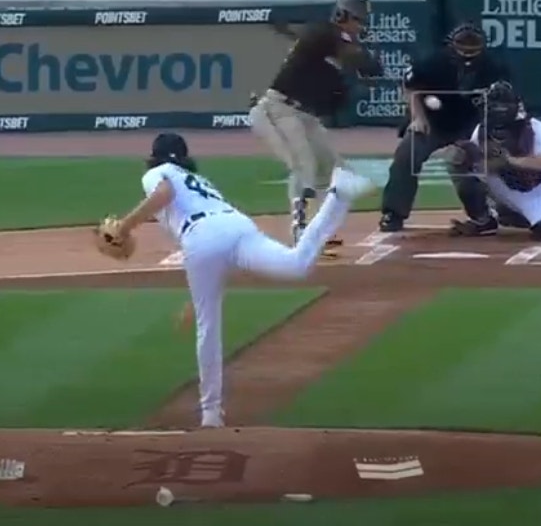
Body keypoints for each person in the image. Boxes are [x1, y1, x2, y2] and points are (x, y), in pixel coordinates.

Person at [110, 132, 376, 427]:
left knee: (208, 327)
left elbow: (164, 194)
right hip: (236, 224)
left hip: (201, 236)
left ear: (154, 156)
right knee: (296, 264)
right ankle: (339, 195)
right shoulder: (200, 182)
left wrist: (125, 226)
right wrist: (196, 298)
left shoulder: (157, 172)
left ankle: (211, 413)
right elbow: (217, 248)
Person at [248, 0, 384, 246]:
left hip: (305, 115)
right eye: (357, 19)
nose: (360, 26)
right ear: (341, 15)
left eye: (363, 21)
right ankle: (301, 230)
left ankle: (318, 228)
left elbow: (357, 75)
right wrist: (363, 59)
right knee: (304, 166)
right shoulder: (324, 33)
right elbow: (354, 56)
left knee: (332, 168)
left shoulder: (334, 50)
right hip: (278, 109)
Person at [378, 22, 509, 233]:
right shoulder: (433, 63)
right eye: (463, 47)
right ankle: (393, 213)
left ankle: (482, 215)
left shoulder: (494, 69)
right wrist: (418, 118)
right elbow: (411, 87)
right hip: (432, 122)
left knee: (463, 160)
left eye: (473, 48)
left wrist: (481, 133)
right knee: (407, 154)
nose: (468, 53)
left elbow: (501, 103)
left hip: (469, 124)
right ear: (451, 46)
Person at [452, 81, 541, 241]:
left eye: (491, 105)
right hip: (505, 185)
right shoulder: (481, 130)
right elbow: (479, 168)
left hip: (539, 188)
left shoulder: (534, 127)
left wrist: (510, 161)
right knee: (459, 162)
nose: (486, 108)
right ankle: (483, 221)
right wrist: (471, 160)